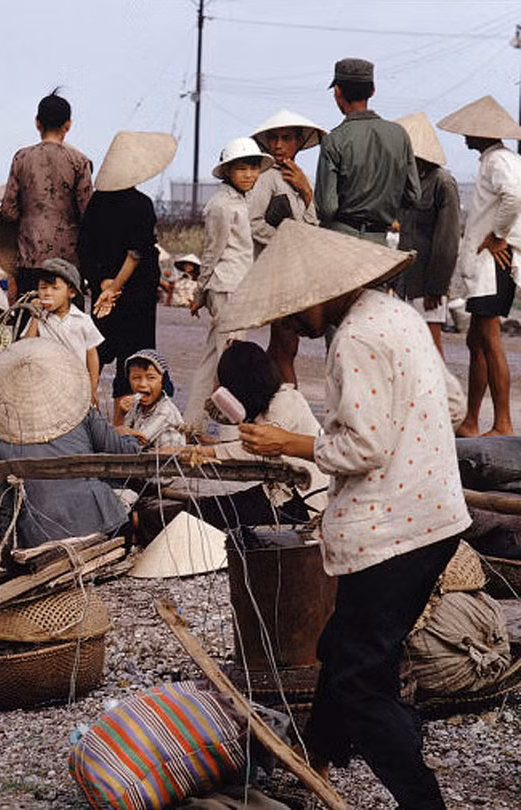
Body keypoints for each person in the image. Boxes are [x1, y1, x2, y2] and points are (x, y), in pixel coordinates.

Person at [227, 220, 470, 810]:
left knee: (360, 676)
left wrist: (288, 444)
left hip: (393, 529)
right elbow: (456, 402)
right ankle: (315, 759)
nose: (290, 324)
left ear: (325, 291)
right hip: (434, 517)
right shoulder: (398, 314)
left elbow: (364, 448)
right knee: (346, 648)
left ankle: (420, 800)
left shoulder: (354, 339)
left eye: (294, 309)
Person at [0, 339, 141, 548]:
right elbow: (127, 456)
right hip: (103, 523)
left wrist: (2, 553)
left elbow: (0, 507)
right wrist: (126, 435)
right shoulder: (80, 413)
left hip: (41, 537)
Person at [80, 131, 177, 423]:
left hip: (106, 291)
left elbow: (85, 248)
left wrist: (103, 285)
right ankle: (120, 425)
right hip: (135, 293)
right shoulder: (141, 204)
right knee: (134, 357)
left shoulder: (96, 203)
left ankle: (86, 412)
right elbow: (136, 254)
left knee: (97, 349)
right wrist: (115, 287)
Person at [437, 95, 520, 438]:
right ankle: (472, 420)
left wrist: (499, 235)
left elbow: (514, 196)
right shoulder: (503, 159)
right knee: (475, 340)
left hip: (493, 261)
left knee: (489, 340)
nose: (465, 137)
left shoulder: (498, 161)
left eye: (470, 132)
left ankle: (502, 423)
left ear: (483, 134)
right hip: (491, 261)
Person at [183, 340, 326, 530]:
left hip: (302, 499)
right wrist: (218, 386)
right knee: (208, 509)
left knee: (209, 512)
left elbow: (255, 449)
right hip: (284, 493)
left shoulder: (286, 400)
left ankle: (139, 524)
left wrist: (205, 451)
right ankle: (140, 522)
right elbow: (217, 412)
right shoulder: (260, 404)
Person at [183, 137, 271, 435]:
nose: (249, 175)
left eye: (253, 168)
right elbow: (212, 253)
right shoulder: (220, 206)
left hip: (237, 286)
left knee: (213, 359)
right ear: (228, 172)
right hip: (227, 288)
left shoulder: (239, 202)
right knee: (231, 364)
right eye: (242, 169)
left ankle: (192, 424)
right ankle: (231, 433)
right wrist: (199, 293)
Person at [247, 110, 325, 385]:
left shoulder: (298, 178)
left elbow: (311, 225)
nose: (279, 145)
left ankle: (263, 399)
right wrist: (284, 241)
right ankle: (292, 404)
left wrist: (306, 192)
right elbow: (253, 222)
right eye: (274, 139)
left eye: (286, 138)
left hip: (295, 271)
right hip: (275, 272)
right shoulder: (266, 178)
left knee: (283, 346)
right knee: (284, 348)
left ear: (299, 142)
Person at [0, 89, 93, 296]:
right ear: (68, 125)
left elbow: (8, 210)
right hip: (67, 260)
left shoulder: (21, 158)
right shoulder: (79, 161)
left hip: (28, 255)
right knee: (64, 323)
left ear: (37, 123)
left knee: (30, 317)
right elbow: (88, 212)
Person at [315, 58, 419, 243]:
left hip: (340, 242)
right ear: (372, 91)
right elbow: (413, 195)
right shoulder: (399, 135)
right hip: (380, 242)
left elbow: (327, 208)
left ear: (337, 92)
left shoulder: (334, 140)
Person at [394, 113, 460, 360]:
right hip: (405, 281)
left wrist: (436, 287)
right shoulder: (406, 183)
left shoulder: (443, 183)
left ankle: (441, 398)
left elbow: (447, 242)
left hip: (427, 284)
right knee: (409, 348)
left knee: (430, 348)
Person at [24, 258, 103, 406]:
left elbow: (91, 355)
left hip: (76, 387)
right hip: (46, 387)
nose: (47, 293)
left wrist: (92, 389)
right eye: (43, 287)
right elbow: (25, 348)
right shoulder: (39, 318)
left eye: (55, 288)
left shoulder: (82, 320)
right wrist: (35, 316)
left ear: (71, 292)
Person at [115, 349, 184, 449]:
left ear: (163, 381)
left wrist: (122, 432)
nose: (142, 384)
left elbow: (136, 444)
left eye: (151, 378)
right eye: (136, 378)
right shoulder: (136, 406)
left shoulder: (165, 411)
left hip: (164, 461)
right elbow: (118, 432)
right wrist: (121, 413)